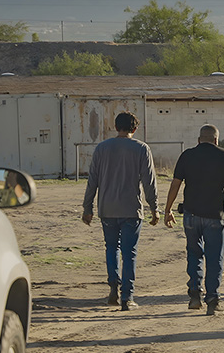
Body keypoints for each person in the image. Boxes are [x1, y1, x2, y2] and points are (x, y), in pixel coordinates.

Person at [82, 112, 160, 311]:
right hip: (131, 209)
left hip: (107, 209)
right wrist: (154, 208)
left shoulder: (102, 148)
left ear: (116, 127)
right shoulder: (141, 149)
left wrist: (87, 207)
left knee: (111, 248)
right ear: (134, 129)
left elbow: (93, 181)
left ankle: (113, 288)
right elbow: (149, 182)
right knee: (129, 253)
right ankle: (128, 296)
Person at [163, 125, 224, 315]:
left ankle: (195, 295)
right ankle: (213, 299)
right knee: (215, 258)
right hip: (215, 215)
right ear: (216, 140)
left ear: (199, 140)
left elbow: (175, 185)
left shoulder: (187, 155)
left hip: (191, 215)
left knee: (194, 254)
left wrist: (168, 210)